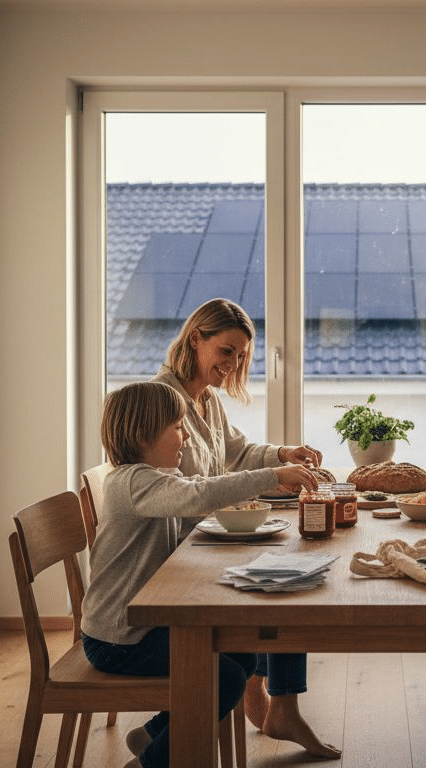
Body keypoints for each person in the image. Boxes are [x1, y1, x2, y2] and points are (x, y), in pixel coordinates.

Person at [79, 381, 320, 768]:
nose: (187, 436)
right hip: (120, 639)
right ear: (143, 434)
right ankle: (151, 762)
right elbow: (197, 495)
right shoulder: (132, 482)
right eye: (177, 427)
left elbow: (195, 487)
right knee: (223, 677)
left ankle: (155, 733)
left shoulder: (150, 478)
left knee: (243, 652)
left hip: (137, 627)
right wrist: (271, 475)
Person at [154, 297, 341, 759]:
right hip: (180, 559)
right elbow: (191, 488)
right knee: (284, 581)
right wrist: (273, 475)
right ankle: (268, 700)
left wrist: (282, 454)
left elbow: (236, 451)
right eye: (226, 351)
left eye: (241, 356)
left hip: (209, 542)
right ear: (195, 338)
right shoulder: (162, 401)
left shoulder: (207, 399)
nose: (233, 364)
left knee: (290, 570)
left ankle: (277, 703)